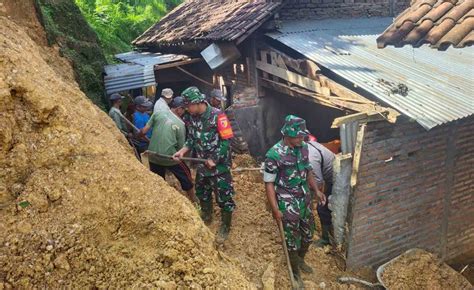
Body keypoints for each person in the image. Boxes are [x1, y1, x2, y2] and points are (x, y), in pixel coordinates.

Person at [263, 115, 326, 287]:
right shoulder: (274, 155)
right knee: (291, 241)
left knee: (307, 235)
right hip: (287, 203)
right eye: (299, 136)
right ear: (288, 135)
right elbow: (269, 184)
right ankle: (295, 270)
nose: (302, 139)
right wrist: (275, 209)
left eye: (303, 136)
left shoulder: (303, 147)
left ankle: (300, 260)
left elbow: (308, 171)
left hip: (304, 200)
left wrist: (316, 191)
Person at [173, 87, 235, 243]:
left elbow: (227, 141)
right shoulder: (192, 117)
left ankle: (225, 226)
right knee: (202, 192)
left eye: (188, 106)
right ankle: (207, 216)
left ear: (197, 102)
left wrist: (214, 159)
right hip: (202, 165)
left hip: (219, 168)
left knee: (224, 197)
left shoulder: (218, 116)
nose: (187, 109)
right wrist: (182, 151)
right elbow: (192, 139)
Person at [139, 96, 198, 206]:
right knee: (186, 174)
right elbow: (181, 149)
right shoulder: (180, 124)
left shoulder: (157, 113)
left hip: (152, 156)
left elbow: (143, 131)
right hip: (169, 158)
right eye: (183, 109)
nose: (184, 112)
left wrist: (138, 135)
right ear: (179, 108)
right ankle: (193, 199)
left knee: (158, 180)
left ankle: (160, 203)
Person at [307, 137, 336, 247]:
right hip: (329, 177)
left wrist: (310, 195)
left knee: (322, 206)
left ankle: (326, 239)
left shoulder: (310, 156)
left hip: (336, 180)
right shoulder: (308, 146)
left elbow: (318, 182)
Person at [207, 89, 249, 153]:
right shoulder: (206, 109)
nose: (219, 102)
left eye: (220, 101)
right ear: (212, 99)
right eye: (218, 100)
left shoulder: (219, 109)